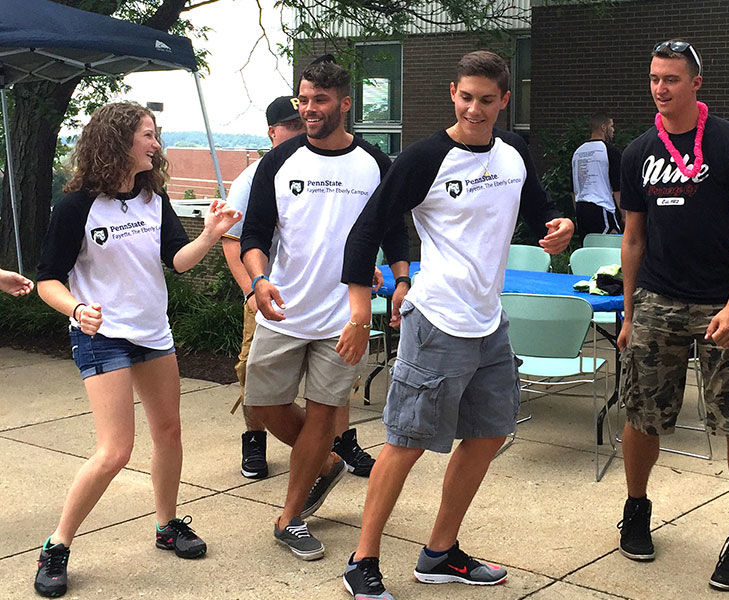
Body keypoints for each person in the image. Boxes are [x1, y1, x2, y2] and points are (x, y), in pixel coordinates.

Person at [337, 50, 574, 599]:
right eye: (466, 97)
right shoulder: (425, 159)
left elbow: (542, 209)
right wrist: (357, 310)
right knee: (406, 441)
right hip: (438, 320)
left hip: (489, 322)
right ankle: (362, 561)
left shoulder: (514, 150)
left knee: (490, 433)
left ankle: (440, 553)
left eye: (487, 100)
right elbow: (367, 228)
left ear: (504, 100)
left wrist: (559, 226)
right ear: (452, 93)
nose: (475, 109)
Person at [34, 102, 241, 598]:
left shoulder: (153, 196)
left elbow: (178, 261)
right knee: (115, 451)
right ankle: (57, 545)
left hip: (152, 331)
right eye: (148, 134)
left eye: (156, 133)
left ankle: (167, 525)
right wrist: (76, 309)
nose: (156, 143)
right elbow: (47, 280)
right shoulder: (76, 205)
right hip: (101, 333)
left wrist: (211, 234)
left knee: (168, 432)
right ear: (119, 141)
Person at [616, 40, 729, 591]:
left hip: (720, 304)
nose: (661, 88)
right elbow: (633, 238)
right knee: (641, 414)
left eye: (672, 79)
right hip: (658, 300)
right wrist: (629, 312)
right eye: (655, 78)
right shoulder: (637, 151)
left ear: (696, 83)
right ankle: (636, 509)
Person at [240, 57, 408, 561]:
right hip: (285, 308)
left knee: (322, 413)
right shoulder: (280, 160)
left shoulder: (374, 162)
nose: (309, 110)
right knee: (264, 405)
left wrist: (400, 279)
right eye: (303, 100)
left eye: (320, 100)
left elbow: (394, 229)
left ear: (345, 103)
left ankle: (290, 516)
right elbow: (253, 234)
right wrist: (259, 279)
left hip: (345, 316)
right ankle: (327, 462)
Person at [222, 95, 378, 481]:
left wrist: (363, 267)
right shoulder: (258, 175)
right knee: (255, 378)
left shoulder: (341, 165)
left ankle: (339, 443)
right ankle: (254, 439)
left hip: (329, 297)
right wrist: (250, 292)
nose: (299, 129)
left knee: (331, 385)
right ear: (272, 132)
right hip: (269, 296)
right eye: (290, 125)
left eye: (301, 121)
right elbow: (233, 239)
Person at [572, 111, 622, 240]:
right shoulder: (609, 151)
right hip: (602, 207)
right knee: (607, 248)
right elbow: (617, 186)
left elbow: (573, 188)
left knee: (587, 248)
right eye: (611, 126)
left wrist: (577, 213)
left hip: (581, 209)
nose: (613, 130)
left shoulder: (578, 152)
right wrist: (625, 215)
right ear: (603, 128)